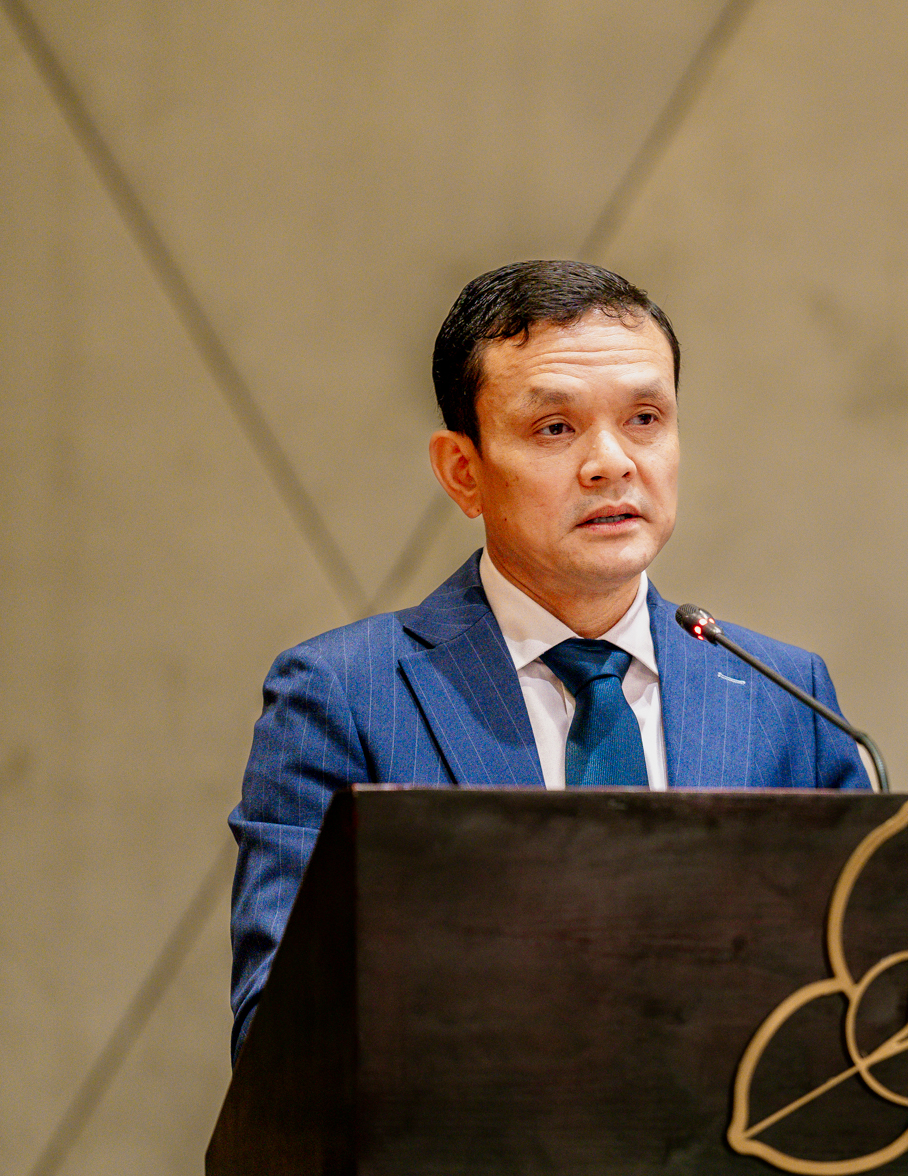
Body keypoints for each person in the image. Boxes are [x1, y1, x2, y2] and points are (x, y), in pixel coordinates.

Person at [226, 261, 870, 1057]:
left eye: (645, 418)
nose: (612, 463)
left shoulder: (785, 698)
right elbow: (279, 1037)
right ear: (464, 472)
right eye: (555, 429)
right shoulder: (345, 698)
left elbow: (865, 1000)